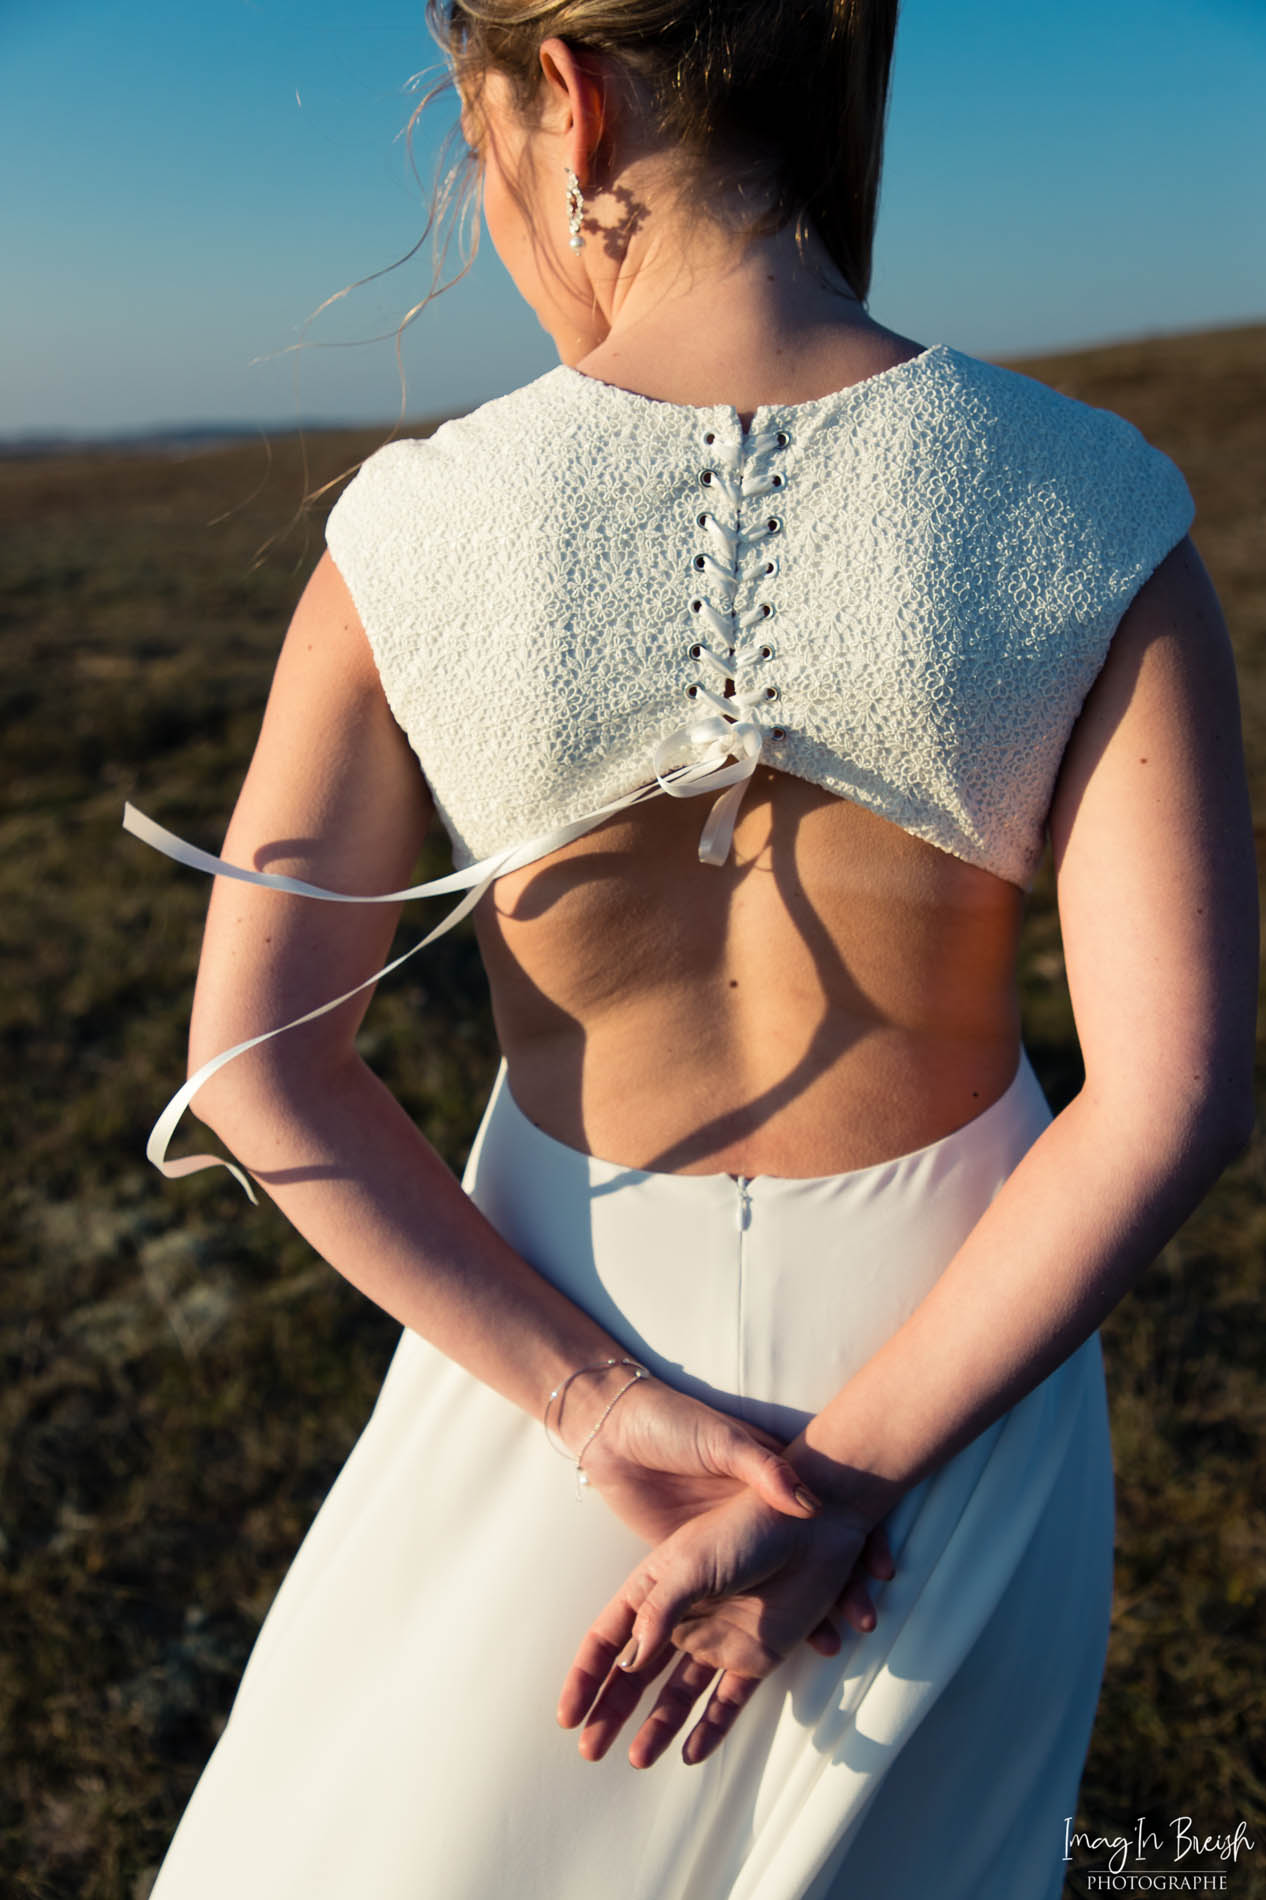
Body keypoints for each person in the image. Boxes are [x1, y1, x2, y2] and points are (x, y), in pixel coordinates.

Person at [126, 3, 1258, 1896]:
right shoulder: (1093, 503)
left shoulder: (406, 533)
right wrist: (853, 1481)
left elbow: (255, 1071)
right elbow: (1175, 1094)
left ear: (567, 100)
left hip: (557, 1346)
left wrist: (589, 1398)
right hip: (958, 1344)